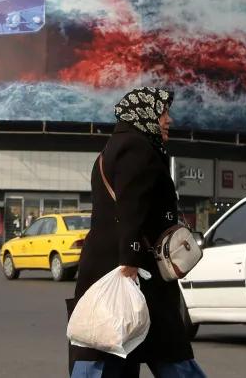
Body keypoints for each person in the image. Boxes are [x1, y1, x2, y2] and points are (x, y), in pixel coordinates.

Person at [69, 87, 205, 378]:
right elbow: (131, 208)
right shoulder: (137, 148)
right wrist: (129, 261)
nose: (168, 120)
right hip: (132, 272)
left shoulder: (115, 147)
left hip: (120, 268)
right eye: (162, 112)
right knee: (132, 347)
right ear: (143, 113)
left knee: (110, 348)